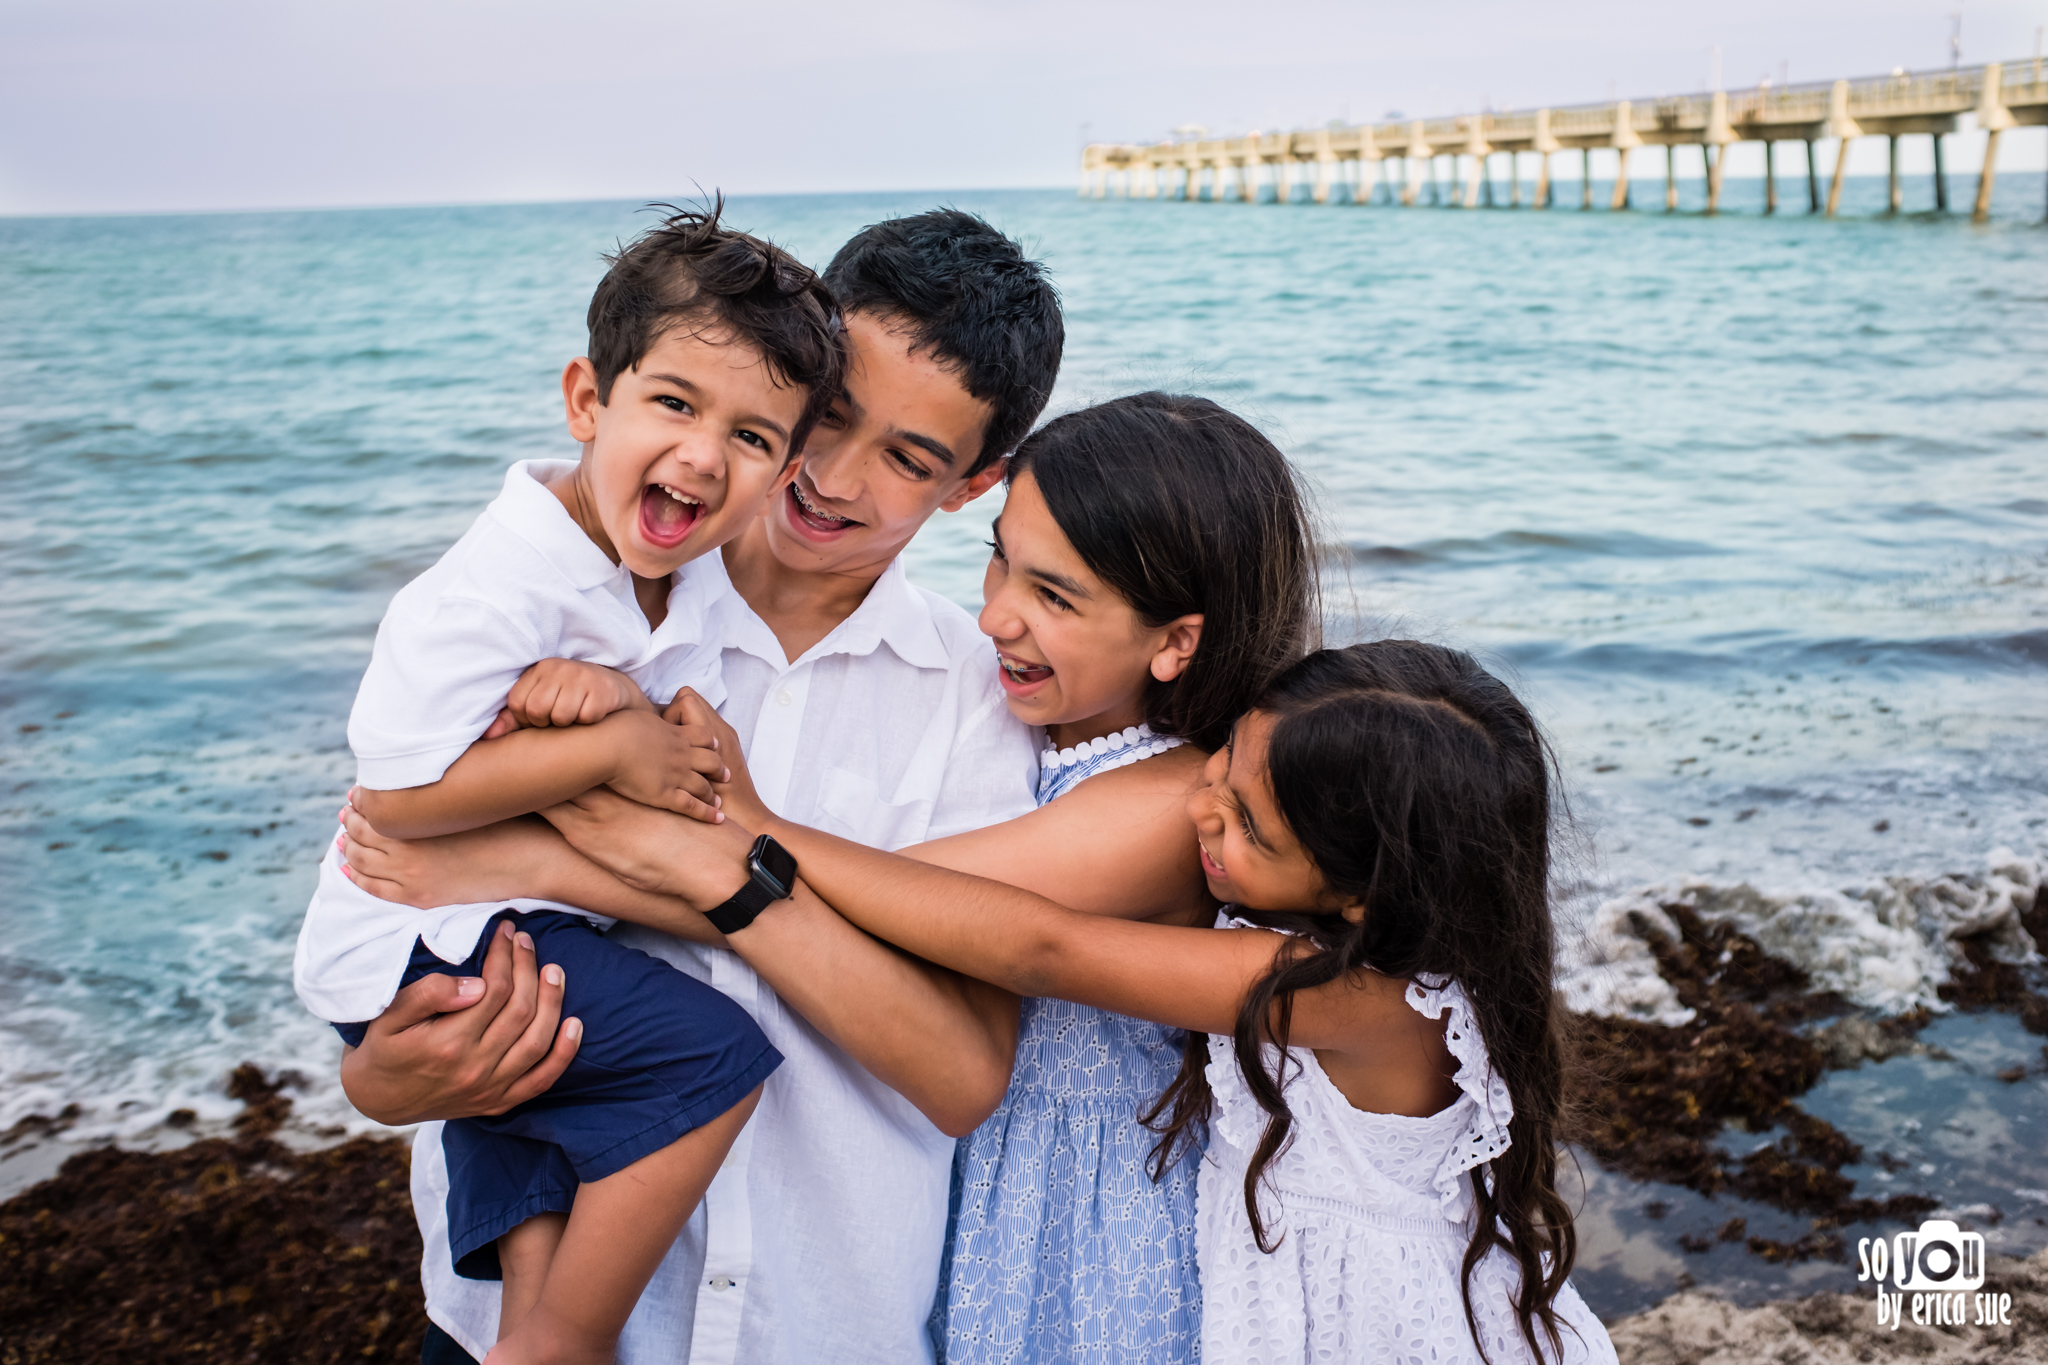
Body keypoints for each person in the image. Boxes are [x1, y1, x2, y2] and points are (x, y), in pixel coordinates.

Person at [349, 392, 1319, 1362]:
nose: (993, 616)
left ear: (1177, 640)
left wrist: (704, 841)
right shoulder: (614, 602)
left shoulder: (1156, 796)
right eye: (1000, 561)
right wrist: (374, 1067)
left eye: (1053, 596)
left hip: (1066, 1231)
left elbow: (931, 914)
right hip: (966, 1221)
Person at [336, 208, 1067, 1365]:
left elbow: (963, 1072)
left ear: (971, 486)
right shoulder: (578, 614)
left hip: (820, 1321)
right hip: (506, 1321)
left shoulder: (979, 703)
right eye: (823, 420)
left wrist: (727, 875)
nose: (829, 478)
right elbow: (399, 879)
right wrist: (378, 1080)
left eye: (907, 459)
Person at [544, 642, 1620, 1365]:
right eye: (1220, 769)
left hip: (1375, 1330)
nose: (1197, 806)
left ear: (1356, 892)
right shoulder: (1362, 947)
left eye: (1246, 822)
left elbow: (1040, 947)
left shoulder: (1350, 995)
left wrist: (759, 833)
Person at [292, 204, 846, 1364]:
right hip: (413, 928)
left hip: (493, 921)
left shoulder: (682, 591)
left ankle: (528, 1338)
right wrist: (608, 746)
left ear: (785, 472)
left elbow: (679, 771)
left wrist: (625, 716)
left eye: (752, 438)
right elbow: (394, 804)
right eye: (674, 403)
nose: (702, 454)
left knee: (522, 1119)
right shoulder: (495, 587)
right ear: (588, 401)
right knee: (712, 1059)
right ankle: (572, 1341)